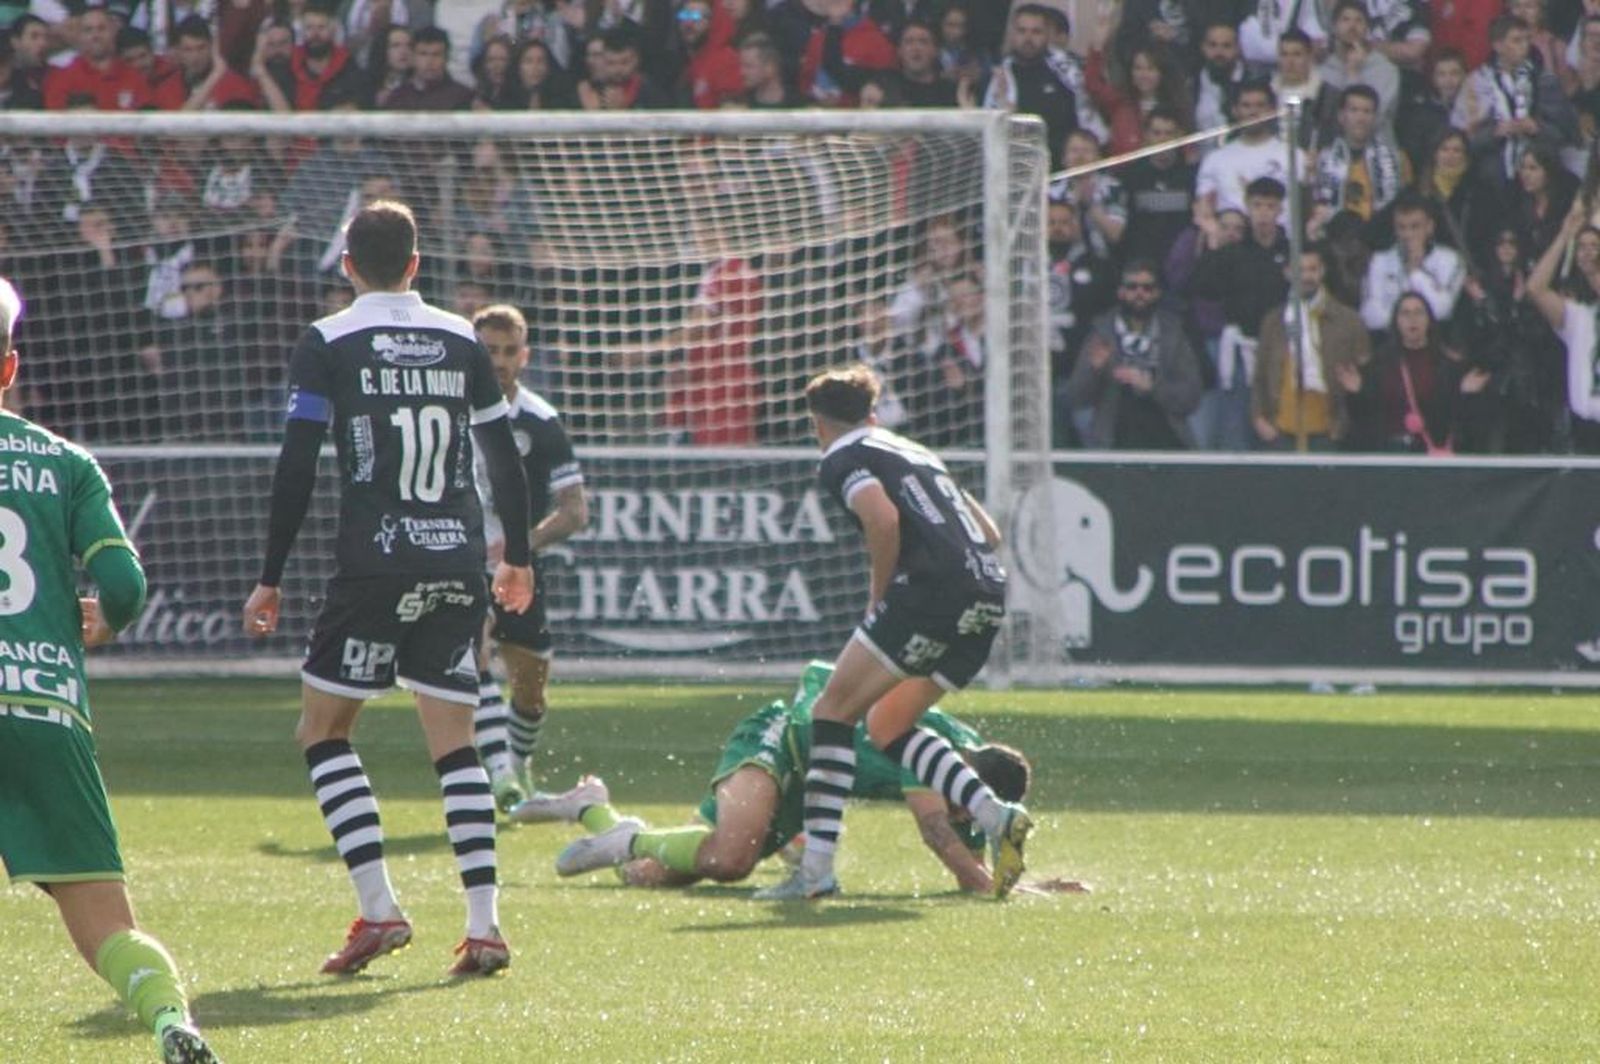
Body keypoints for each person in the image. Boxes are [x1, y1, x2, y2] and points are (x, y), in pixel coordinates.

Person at [241, 201, 536, 977]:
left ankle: (379, 909)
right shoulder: (461, 337)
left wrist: (270, 575)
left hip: (375, 563)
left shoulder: (328, 340)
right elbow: (502, 455)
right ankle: (485, 926)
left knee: (325, 730)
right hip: (456, 559)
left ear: (346, 265)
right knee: (457, 743)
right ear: (415, 264)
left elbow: (298, 461)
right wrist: (518, 557)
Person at [0, 277, 221, 1063]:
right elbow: (124, 585)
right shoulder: (67, 463)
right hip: (48, 715)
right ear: (9, 367)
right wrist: (106, 618)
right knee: (108, 925)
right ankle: (170, 1021)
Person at [751, 365, 1030, 900]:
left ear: (817, 424)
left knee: (831, 712)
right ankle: (995, 815)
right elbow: (989, 533)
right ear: (873, 415)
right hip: (987, 593)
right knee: (887, 725)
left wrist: (880, 596)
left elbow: (881, 520)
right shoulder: (917, 452)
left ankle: (816, 872)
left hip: (927, 592)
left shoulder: (841, 456)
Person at [549, 660, 1075, 897]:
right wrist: (1000, 890)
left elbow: (970, 871)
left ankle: (594, 809)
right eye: (964, 805)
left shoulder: (968, 775)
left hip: (811, 788)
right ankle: (626, 837)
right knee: (731, 861)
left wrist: (1021, 884)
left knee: (650, 876)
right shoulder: (935, 748)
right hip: (781, 742)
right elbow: (939, 837)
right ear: (967, 768)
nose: (959, 815)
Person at [465, 304, 589, 816]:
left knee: (532, 693)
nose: (498, 361)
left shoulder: (541, 422)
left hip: (519, 568)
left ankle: (516, 768)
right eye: (489, 350)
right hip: (461, 560)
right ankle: (501, 779)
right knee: (474, 650)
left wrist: (522, 545)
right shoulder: (445, 411)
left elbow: (575, 512)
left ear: (525, 356)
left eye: (509, 351)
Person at [1067, 258, 1204, 449]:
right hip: (1114, 439)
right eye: (1132, 287)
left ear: (1157, 293)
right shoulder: (1102, 332)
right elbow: (1077, 398)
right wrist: (1094, 370)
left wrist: (1152, 387)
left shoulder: (1173, 333)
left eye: (1147, 288)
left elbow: (1190, 397)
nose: (1140, 293)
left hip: (1167, 438)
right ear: (1121, 292)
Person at [1251, 244, 1372, 451]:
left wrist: (1342, 425)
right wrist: (1259, 417)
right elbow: (1260, 375)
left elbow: (1366, 375)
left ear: (1322, 271)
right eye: (1300, 270)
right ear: (1287, 272)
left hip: (1327, 432)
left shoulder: (1349, 321)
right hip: (1280, 431)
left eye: (1313, 269)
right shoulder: (1273, 321)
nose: (1307, 276)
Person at [1527, 200, 1600, 450]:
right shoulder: (1579, 317)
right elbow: (1535, 288)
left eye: (1595, 247)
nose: (1589, 253)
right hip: (1585, 430)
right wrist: (1564, 236)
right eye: (1582, 247)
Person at [1360, 192, 1467, 333]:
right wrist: (1409, 321)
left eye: (1415, 227)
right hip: (1390, 340)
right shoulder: (1379, 260)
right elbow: (1370, 317)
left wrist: (1416, 271)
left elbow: (1441, 311)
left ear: (1429, 227)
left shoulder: (1450, 260)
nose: (1407, 235)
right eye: (1401, 227)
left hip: (1436, 338)